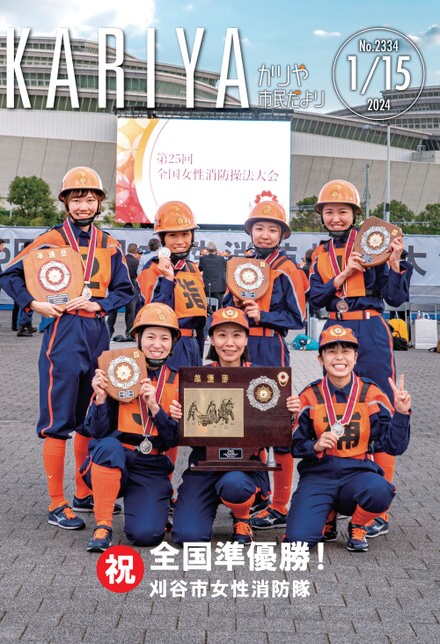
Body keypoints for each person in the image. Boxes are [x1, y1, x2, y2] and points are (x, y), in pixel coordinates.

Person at [0, 166, 133, 530]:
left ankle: (83, 492)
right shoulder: (51, 239)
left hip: (97, 333)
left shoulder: (110, 244)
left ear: (99, 203)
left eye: (90, 199)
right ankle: (57, 503)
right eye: (76, 199)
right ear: (65, 203)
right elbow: (10, 274)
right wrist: (34, 304)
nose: (83, 206)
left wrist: (100, 305)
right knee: (57, 421)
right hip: (63, 331)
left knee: (92, 415)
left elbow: (125, 290)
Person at [308, 179, 413, 538]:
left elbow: (395, 298)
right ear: (322, 215)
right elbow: (315, 299)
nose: (336, 218)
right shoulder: (319, 253)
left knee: (380, 406)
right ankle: (331, 497)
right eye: (329, 212)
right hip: (335, 328)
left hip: (370, 329)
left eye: (343, 211)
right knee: (331, 406)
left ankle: (378, 509)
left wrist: (394, 261)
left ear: (355, 214)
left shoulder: (375, 242)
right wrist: (344, 275)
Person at [284, 325, 411, 552]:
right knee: (297, 542)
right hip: (318, 475)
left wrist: (401, 414)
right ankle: (326, 515)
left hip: (358, 473)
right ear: (320, 359)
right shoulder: (309, 395)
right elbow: (294, 446)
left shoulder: (372, 393)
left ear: (355, 357)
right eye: (331, 351)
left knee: (381, 491)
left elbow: (395, 447)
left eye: (346, 351)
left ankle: (358, 524)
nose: (339, 357)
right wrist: (315, 445)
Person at [223, 193, 306, 531]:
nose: (265, 235)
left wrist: (263, 315)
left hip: (271, 346)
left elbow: (297, 319)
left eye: (273, 229)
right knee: (244, 423)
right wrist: (234, 305)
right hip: (240, 348)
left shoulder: (287, 269)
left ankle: (281, 505)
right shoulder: (239, 264)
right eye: (259, 228)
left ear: (282, 234)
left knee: (276, 426)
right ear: (250, 231)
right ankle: (256, 493)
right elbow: (225, 306)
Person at [81, 303, 181, 551]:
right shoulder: (117, 369)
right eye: (150, 337)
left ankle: (152, 509)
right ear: (138, 338)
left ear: (172, 343)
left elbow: (173, 440)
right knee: (108, 446)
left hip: (151, 464)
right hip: (118, 457)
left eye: (164, 338)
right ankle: (103, 525)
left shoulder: (178, 380)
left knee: (147, 536)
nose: (157, 344)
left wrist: (155, 408)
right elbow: (97, 432)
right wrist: (101, 399)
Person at [172, 307, 272, 546]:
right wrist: (176, 417)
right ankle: (202, 503)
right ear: (211, 339)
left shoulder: (263, 378)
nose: (229, 343)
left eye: (237, 335)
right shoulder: (197, 378)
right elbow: (182, 431)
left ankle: (242, 518)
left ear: (246, 339)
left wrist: (289, 415)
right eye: (222, 335)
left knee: (235, 485)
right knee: (188, 537)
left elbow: (277, 431)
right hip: (204, 464)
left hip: (245, 465)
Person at [137, 201, 207, 370]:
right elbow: (151, 315)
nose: (180, 241)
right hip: (169, 346)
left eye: (185, 234)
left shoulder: (193, 269)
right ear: (162, 239)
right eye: (173, 235)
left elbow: (200, 317)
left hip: (193, 344)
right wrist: (167, 280)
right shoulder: (151, 270)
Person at [107, 242, 141, 340]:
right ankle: (129, 332)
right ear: (135, 251)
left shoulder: (120, 260)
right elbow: (138, 276)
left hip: (116, 288)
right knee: (130, 312)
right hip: (130, 288)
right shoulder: (136, 262)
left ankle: (109, 332)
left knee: (113, 311)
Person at [198, 241, 227, 308]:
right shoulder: (221, 259)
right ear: (216, 250)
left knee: (205, 306)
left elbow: (200, 269)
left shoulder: (203, 259)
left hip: (206, 287)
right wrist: (221, 254)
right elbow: (227, 266)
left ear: (207, 250)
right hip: (219, 288)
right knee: (218, 307)